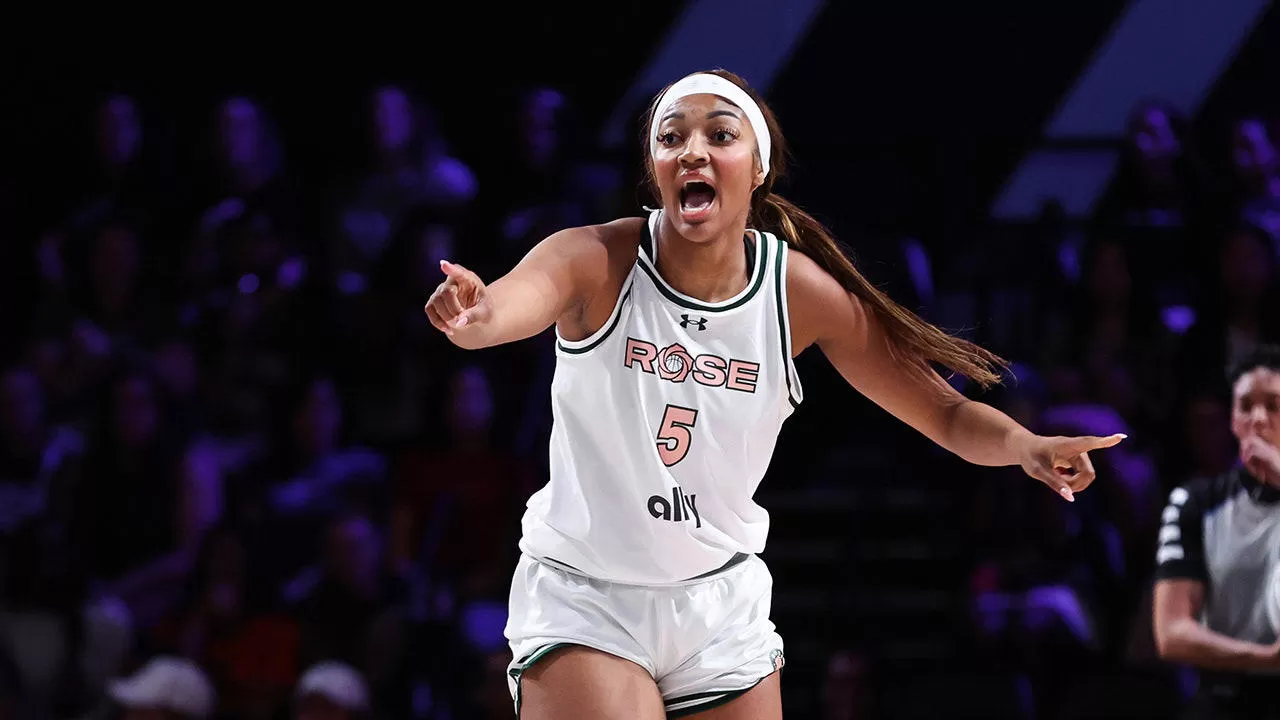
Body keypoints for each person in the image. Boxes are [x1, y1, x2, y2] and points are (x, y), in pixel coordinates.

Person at [423, 69, 1124, 719]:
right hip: (588, 591)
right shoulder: (596, 258)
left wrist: (1025, 446)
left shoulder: (797, 294)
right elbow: (504, 308)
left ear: (756, 169)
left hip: (718, 599)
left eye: (719, 135)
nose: (692, 150)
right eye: (672, 138)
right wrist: (473, 314)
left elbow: (942, 409)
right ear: (655, 171)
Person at [1153, 344, 1280, 719]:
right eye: (1245, 406)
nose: (1258, 419)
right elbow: (1172, 633)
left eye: (1274, 405)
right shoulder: (1196, 502)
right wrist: (1267, 659)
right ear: (1232, 421)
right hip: (1228, 699)